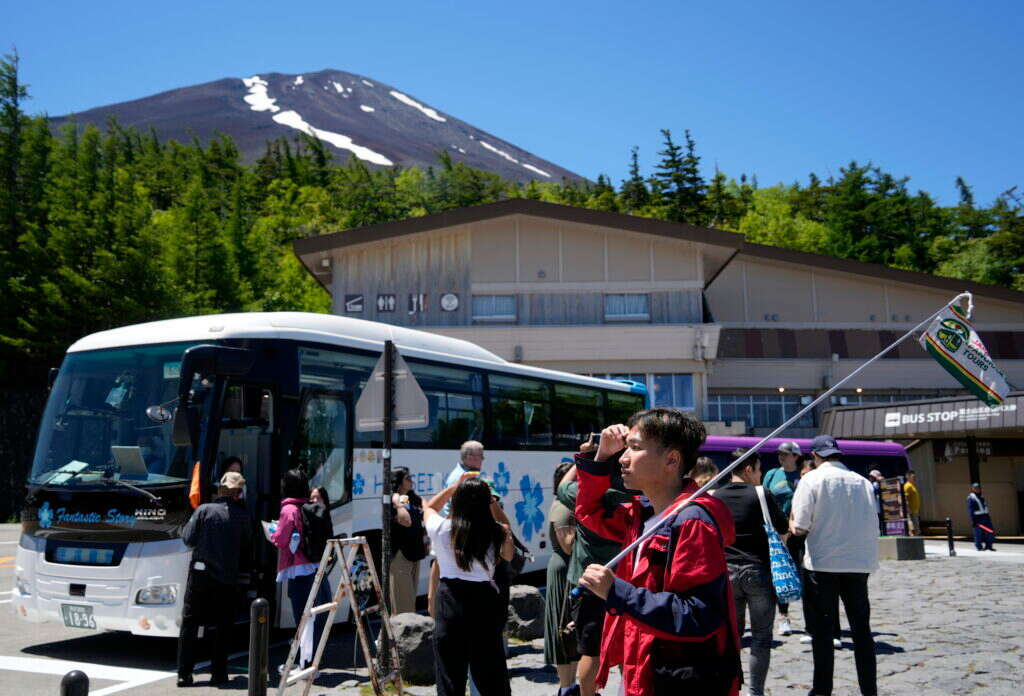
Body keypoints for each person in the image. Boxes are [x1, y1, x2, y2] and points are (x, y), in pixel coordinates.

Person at [574, 409, 740, 696]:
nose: (623, 458)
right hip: (643, 663)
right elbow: (589, 512)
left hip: (677, 677)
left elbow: (699, 613)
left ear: (671, 460)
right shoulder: (641, 517)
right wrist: (600, 457)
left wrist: (617, 591)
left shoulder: (692, 522)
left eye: (635, 448)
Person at [791, 435, 879, 696]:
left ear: (816, 456)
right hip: (858, 564)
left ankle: (822, 690)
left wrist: (791, 523)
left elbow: (800, 526)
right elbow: (873, 520)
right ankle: (869, 690)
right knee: (862, 630)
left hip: (823, 563)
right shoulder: (863, 482)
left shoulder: (811, 480)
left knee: (823, 632)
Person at [424, 473, 515, 696]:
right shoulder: (497, 532)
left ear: (457, 500)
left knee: (449, 675)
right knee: (491, 674)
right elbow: (509, 553)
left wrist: (454, 487)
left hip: (450, 600)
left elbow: (428, 508)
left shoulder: (442, 529)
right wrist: (490, 500)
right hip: (484, 602)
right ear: (486, 503)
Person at [557, 436, 633, 696]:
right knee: (626, 646)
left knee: (590, 649)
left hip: (588, 580)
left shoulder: (582, 494)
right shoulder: (631, 494)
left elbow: (561, 486)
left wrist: (586, 455)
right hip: (624, 581)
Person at [711, 449, 789, 696]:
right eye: (758, 469)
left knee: (731, 638)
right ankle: (755, 692)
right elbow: (784, 530)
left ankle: (730, 687)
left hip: (726, 574)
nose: (760, 474)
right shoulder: (761, 494)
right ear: (748, 469)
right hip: (758, 572)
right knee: (761, 638)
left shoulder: (715, 496)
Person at [177, 471, 252, 687]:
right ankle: (218, 674)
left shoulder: (203, 510)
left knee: (190, 623)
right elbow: (247, 548)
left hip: (200, 575)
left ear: (220, 489)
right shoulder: (242, 516)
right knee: (223, 626)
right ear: (238, 493)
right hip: (228, 577)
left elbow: (188, 539)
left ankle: (184, 674)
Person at [271, 469, 332, 672]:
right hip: (315, 566)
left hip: (298, 570)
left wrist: (271, 532)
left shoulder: (288, 510)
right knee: (315, 616)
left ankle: (304, 667)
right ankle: (313, 662)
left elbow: (280, 539)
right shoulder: (308, 506)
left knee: (303, 619)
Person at [544, 459, 579, 690]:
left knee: (572, 634)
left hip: (567, 568)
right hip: (564, 571)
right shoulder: (564, 507)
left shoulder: (564, 504)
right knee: (564, 631)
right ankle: (566, 688)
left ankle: (570, 686)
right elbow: (569, 546)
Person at [762, 441, 802, 636]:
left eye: (786, 454)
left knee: (803, 572)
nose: (781, 457)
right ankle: (783, 616)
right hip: (776, 532)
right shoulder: (772, 474)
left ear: (796, 456)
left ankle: (812, 620)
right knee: (780, 573)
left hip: (798, 532)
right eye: (780, 454)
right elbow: (764, 499)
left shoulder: (802, 475)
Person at [389, 467, 426, 615]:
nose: (412, 481)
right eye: (408, 478)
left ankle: (396, 636)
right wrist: (397, 504)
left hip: (414, 553)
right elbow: (406, 521)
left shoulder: (411, 499)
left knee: (409, 601)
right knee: (402, 604)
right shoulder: (392, 502)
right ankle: (398, 637)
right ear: (398, 482)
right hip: (400, 555)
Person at [966, 483, 995, 551]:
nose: (978, 489)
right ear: (972, 489)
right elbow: (970, 509)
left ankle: (989, 546)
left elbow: (985, 507)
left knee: (990, 531)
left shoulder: (981, 497)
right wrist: (974, 520)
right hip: (978, 519)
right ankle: (979, 547)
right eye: (976, 488)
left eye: (978, 488)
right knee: (978, 533)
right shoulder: (971, 498)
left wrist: (988, 517)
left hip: (985, 518)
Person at [903, 471, 921, 536]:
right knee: (914, 528)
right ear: (908, 477)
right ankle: (915, 541)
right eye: (913, 476)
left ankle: (916, 539)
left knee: (916, 527)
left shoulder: (912, 485)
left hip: (915, 510)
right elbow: (905, 498)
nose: (914, 478)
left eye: (914, 476)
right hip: (911, 511)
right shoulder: (907, 486)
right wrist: (908, 509)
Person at [868, 470, 885, 536]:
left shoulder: (876, 484)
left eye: (872, 477)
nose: (870, 478)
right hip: (876, 509)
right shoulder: (873, 484)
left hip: (879, 509)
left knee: (879, 523)